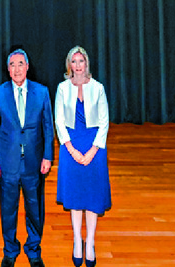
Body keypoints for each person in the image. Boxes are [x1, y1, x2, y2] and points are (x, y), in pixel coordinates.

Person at [0, 49, 54, 267]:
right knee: (8, 210)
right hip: (8, 164)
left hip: (34, 163)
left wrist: (47, 156)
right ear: (8, 70)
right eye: (12, 65)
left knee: (35, 208)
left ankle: (34, 249)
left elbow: (48, 126)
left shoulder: (42, 92)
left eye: (20, 64)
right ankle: (10, 250)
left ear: (27, 67)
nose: (17, 69)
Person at [54, 47, 111, 267]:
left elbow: (104, 122)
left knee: (92, 196)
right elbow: (59, 120)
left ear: (87, 64)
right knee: (76, 195)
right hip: (71, 145)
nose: (78, 66)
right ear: (69, 65)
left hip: (94, 145)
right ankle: (78, 240)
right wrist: (71, 149)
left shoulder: (98, 88)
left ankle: (90, 242)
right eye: (74, 62)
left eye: (81, 61)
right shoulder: (62, 88)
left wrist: (93, 150)